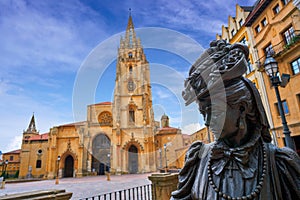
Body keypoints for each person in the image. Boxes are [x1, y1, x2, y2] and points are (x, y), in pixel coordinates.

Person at [171, 40, 300, 200]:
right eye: (203, 113)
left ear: (242, 108)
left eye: (215, 112)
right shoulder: (198, 159)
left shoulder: (281, 164)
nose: (207, 122)